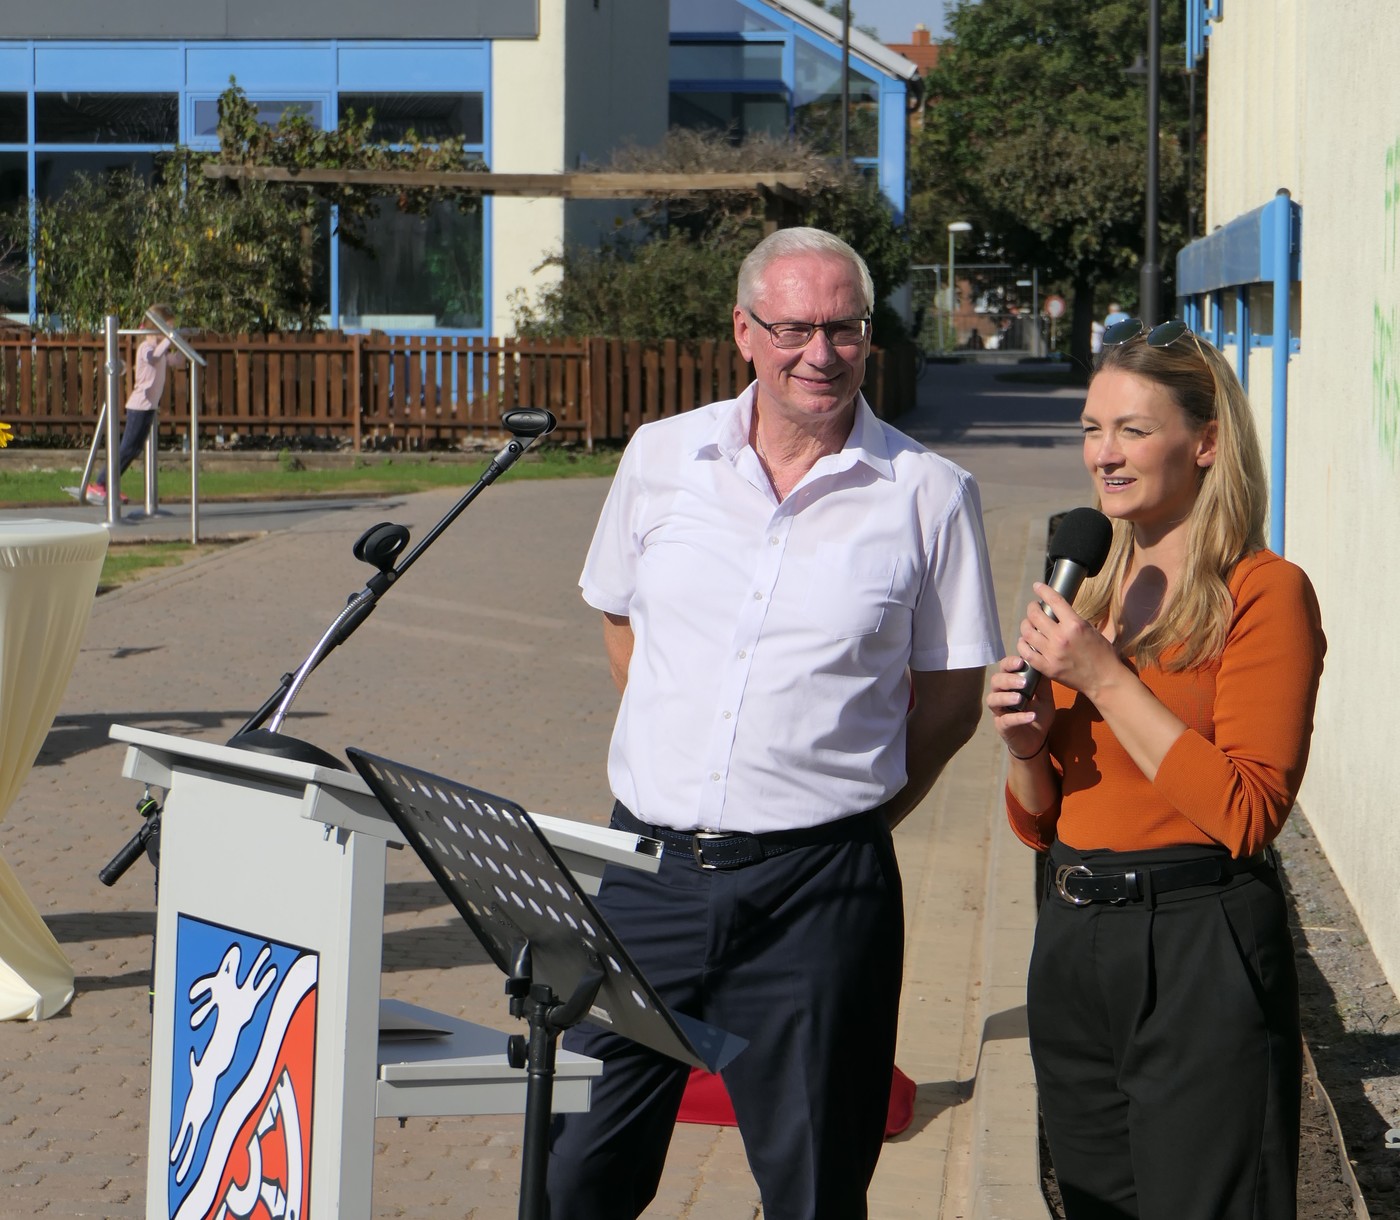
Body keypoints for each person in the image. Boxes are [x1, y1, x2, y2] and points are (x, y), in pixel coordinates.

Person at [548, 227, 1002, 1220]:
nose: (820, 352)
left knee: (811, 1189)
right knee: (571, 1169)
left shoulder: (927, 494)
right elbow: (620, 618)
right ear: (742, 332)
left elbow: (952, 697)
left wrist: (847, 808)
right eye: (793, 327)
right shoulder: (660, 456)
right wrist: (693, 753)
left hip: (816, 897)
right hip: (642, 876)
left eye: (843, 328)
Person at [987, 317, 1326, 1219]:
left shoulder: (1265, 593)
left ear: (1205, 443)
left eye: (1133, 430)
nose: (1104, 453)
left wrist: (1101, 676)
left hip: (1194, 944)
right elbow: (1040, 817)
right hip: (1073, 939)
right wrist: (1025, 746)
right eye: (1093, 429)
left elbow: (1249, 811)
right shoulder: (1090, 584)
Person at [87, 304, 185, 505]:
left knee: (133, 449)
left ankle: (108, 487)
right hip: (139, 406)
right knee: (126, 449)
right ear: (156, 329)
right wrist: (169, 340)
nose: (169, 333)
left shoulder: (159, 348)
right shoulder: (145, 347)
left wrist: (183, 347)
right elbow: (154, 358)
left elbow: (174, 360)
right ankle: (99, 484)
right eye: (167, 328)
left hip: (149, 406)